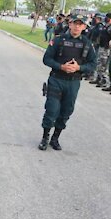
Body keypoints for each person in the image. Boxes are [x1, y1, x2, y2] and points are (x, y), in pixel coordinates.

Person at [39, 14, 97, 151]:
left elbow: (93, 64)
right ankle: (45, 138)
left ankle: (55, 138)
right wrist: (61, 67)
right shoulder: (58, 40)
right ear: (69, 24)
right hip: (56, 80)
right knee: (52, 110)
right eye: (74, 23)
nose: (77, 26)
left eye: (80, 24)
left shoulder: (87, 44)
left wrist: (79, 68)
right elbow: (46, 59)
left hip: (73, 83)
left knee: (66, 111)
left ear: (84, 27)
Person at [92, 13, 111, 88]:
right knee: (99, 63)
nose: (106, 18)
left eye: (108, 17)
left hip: (106, 49)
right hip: (101, 46)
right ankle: (99, 79)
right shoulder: (106, 26)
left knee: (104, 65)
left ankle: (104, 81)